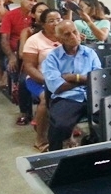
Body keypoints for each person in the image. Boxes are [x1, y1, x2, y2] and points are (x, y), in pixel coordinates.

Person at [42, 20, 101, 151]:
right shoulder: (52, 57)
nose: (73, 36)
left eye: (75, 32)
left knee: (109, 121)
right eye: (67, 34)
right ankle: (55, 155)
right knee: (59, 126)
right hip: (67, 98)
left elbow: (98, 80)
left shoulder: (90, 53)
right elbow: (57, 87)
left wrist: (74, 77)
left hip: (93, 95)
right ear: (59, 39)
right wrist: (85, 79)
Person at [22, 9, 62, 152]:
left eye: (59, 19)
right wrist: (47, 81)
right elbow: (29, 67)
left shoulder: (67, 36)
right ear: (43, 24)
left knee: (74, 96)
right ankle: (40, 139)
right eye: (51, 21)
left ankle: (67, 134)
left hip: (62, 79)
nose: (56, 23)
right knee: (46, 98)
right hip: (38, 79)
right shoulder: (34, 40)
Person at [0, 0, 39, 124]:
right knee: (20, 75)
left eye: (35, 1)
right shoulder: (10, 15)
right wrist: (11, 56)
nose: (33, 3)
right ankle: (25, 110)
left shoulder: (37, 17)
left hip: (37, 54)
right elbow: (4, 39)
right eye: (30, 0)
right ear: (21, 0)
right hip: (16, 53)